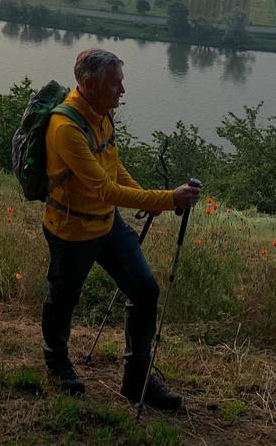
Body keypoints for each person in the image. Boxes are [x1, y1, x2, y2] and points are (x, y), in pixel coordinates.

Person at [41, 47, 202, 406]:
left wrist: (146, 198)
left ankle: (136, 381)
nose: (122, 91)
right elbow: (105, 189)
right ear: (88, 85)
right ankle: (57, 364)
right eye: (115, 84)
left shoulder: (102, 112)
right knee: (63, 300)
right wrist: (165, 199)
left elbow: (113, 166)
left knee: (145, 290)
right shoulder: (65, 127)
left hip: (107, 224)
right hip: (72, 230)